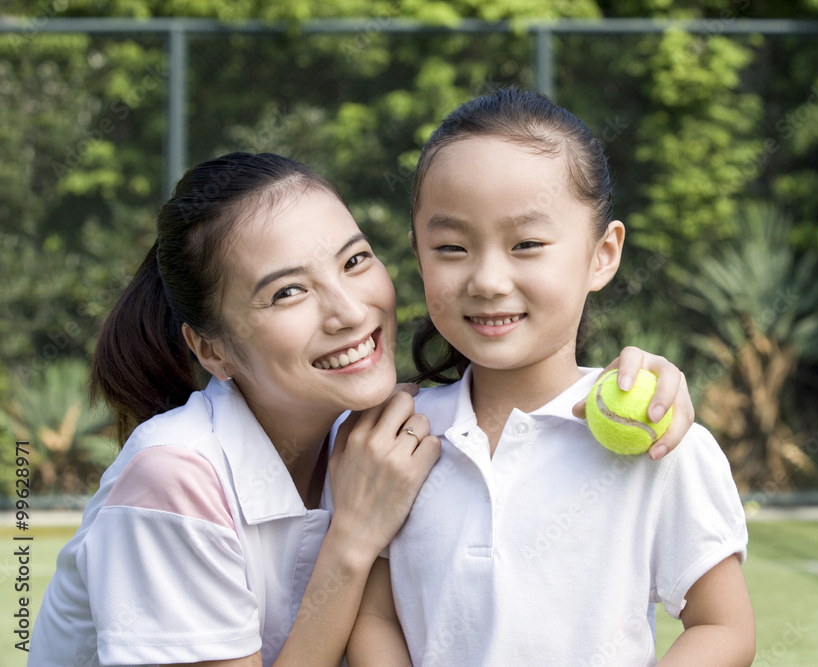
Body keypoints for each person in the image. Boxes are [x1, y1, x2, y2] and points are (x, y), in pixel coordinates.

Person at [29, 152, 696, 666]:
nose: (350, 311)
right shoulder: (171, 477)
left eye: (354, 260)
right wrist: (352, 539)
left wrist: (648, 379)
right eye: (287, 292)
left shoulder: (381, 432)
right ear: (211, 348)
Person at [347, 89, 755, 666]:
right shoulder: (393, 440)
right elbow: (375, 617)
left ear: (602, 255)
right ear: (418, 253)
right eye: (451, 246)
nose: (488, 279)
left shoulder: (663, 439)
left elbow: (723, 628)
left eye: (527, 244)